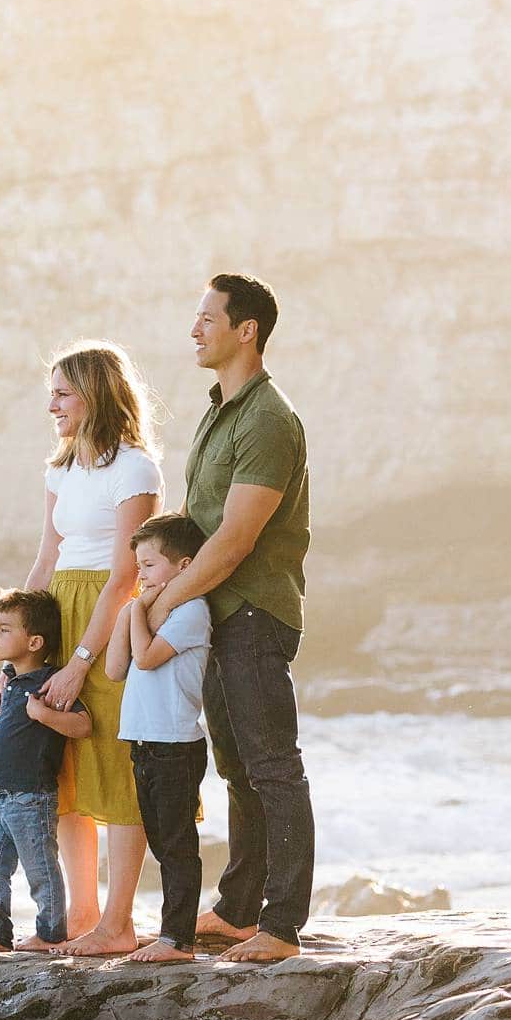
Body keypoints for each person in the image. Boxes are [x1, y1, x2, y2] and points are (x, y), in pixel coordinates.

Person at [141, 273, 313, 963]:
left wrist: (161, 600)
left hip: (254, 611)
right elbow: (199, 526)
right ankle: (240, 910)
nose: (194, 329)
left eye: (207, 317)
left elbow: (235, 538)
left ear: (247, 330)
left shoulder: (269, 419)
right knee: (237, 769)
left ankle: (281, 927)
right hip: (216, 614)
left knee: (273, 769)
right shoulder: (221, 410)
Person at [28, 342, 160, 954]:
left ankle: (119, 921)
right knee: (64, 772)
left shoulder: (135, 468)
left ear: (95, 395)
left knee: (113, 759)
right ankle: (81, 913)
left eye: (62, 393)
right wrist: (20, 645)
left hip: (108, 623)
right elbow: (47, 556)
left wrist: (83, 659)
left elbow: (125, 576)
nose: (51, 404)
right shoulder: (60, 468)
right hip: (59, 611)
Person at [104, 513, 211, 964]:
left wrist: (135, 611)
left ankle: (178, 940)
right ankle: (171, 931)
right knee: (161, 841)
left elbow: (145, 659)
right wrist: (134, 609)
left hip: (175, 745)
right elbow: (114, 669)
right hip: (144, 742)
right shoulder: (148, 613)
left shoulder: (192, 611)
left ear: (184, 566)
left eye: (148, 565)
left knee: (177, 844)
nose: (141, 574)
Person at [0, 588, 90, 955]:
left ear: (34, 641)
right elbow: (12, 732)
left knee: (40, 869)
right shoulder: (12, 682)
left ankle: (51, 933)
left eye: (4, 629)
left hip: (31, 797)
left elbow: (82, 725)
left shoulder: (48, 684)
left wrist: (45, 715)